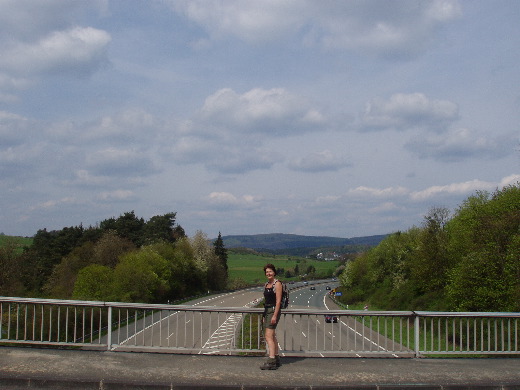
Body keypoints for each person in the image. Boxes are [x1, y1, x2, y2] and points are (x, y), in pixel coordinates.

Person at [260, 263, 282, 370]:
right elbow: (266, 301)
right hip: (267, 310)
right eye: (267, 272)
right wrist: (265, 315)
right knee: (272, 336)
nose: (268, 273)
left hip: (273, 311)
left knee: (268, 336)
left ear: (274, 272)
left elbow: (278, 302)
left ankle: (271, 360)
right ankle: (276, 358)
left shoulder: (277, 284)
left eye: (270, 271)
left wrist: (274, 315)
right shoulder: (266, 284)